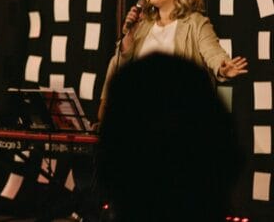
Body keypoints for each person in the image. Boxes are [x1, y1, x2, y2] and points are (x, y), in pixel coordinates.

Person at [96, 53, 243, 221]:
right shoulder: (136, 33)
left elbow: (211, 50)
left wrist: (221, 68)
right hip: (139, 132)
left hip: (183, 126)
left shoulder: (194, 26)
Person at [98, 0, 248, 121]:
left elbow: (213, 53)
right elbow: (120, 65)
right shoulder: (142, 26)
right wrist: (129, 33)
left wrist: (223, 67)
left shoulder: (195, 23)